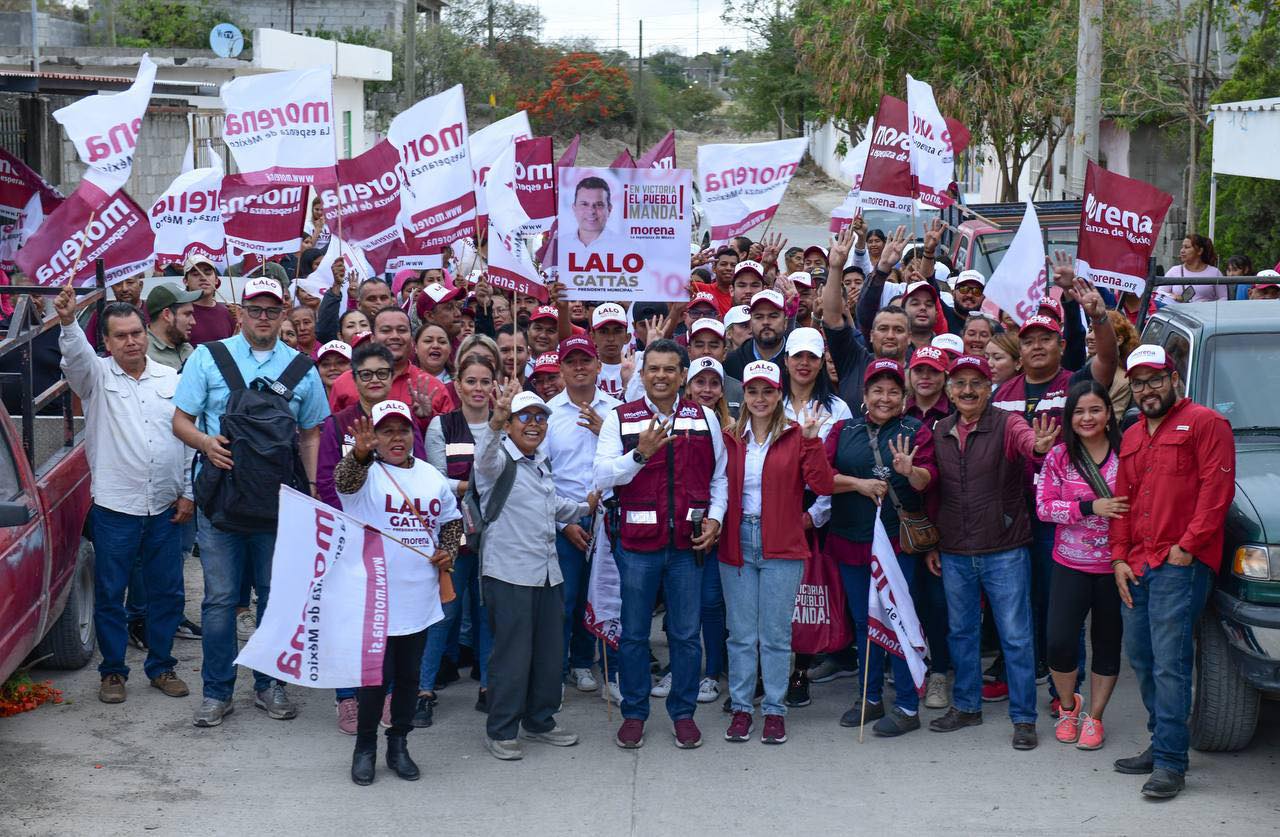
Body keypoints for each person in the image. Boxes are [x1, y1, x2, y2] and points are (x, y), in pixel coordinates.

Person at [172, 276, 330, 728]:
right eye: (256, 310)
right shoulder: (208, 357)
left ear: (284, 314)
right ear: (240, 312)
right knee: (220, 600)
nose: (263, 318)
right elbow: (180, 421)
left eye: (272, 310)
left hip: (279, 502)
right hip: (221, 498)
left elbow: (312, 432)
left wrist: (315, 490)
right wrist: (206, 443)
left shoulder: (302, 367)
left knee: (275, 598)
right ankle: (217, 691)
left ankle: (270, 685)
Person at [56, 289, 194, 704]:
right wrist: (66, 322)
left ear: (145, 333)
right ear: (108, 342)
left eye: (136, 332)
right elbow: (75, 359)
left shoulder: (172, 380)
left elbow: (188, 440)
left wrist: (188, 492)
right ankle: (113, 671)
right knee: (111, 591)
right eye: (121, 336)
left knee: (167, 592)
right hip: (117, 508)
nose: (131, 341)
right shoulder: (95, 378)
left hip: (168, 506)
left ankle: (162, 666)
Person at [1110, 345, 1235, 799]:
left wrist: (1188, 547)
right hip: (1138, 563)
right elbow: (1122, 504)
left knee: (1170, 663)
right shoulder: (1132, 436)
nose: (1147, 390)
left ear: (1174, 378)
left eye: (1155, 379)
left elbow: (1216, 494)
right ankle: (1161, 740)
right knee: (1142, 658)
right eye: (1139, 382)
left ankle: (1170, 762)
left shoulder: (1205, 423)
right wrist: (1119, 557)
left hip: (1179, 564)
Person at [594, 339, 727, 750]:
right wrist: (639, 454)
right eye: (654, 369)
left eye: (670, 369)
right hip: (636, 547)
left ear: (683, 375)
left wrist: (716, 519)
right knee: (634, 635)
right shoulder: (620, 419)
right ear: (643, 373)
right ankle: (634, 713)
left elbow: (719, 478)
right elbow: (600, 477)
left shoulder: (705, 418)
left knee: (686, 636)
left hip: (688, 548)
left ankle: (683, 714)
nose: (661, 376)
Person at [925, 355, 1059, 750]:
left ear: (990, 388)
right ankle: (966, 706)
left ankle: (1023, 718)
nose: (968, 390)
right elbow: (934, 490)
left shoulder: (1007, 422)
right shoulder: (940, 429)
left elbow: (1026, 441)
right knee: (961, 633)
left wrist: (1037, 444)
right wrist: (934, 541)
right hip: (953, 550)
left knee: (1016, 636)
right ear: (949, 389)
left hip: (1004, 548)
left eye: (977, 383)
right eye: (960, 383)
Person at [335, 400, 461, 785]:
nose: (395, 438)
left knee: (408, 677)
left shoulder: (431, 477)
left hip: (419, 595)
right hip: (375, 596)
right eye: (386, 430)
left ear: (413, 435)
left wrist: (448, 550)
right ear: (374, 435)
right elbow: (343, 482)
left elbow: (451, 522)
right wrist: (359, 452)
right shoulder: (364, 472)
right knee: (375, 678)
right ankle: (365, 748)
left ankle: (399, 743)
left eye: (402, 430)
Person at [475, 383, 593, 760]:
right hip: (508, 573)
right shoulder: (498, 461)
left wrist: (584, 506)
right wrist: (494, 421)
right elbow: (483, 457)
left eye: (541, 417)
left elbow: (555, 505)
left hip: (546, 573)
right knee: (512, 655)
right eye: (525, 416)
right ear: (509, 423)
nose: (534, 423)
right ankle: (502, 729)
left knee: (548, 651)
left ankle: (540, 720)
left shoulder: (540, 461)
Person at [719, 361, 833, 745]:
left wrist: (814, 441)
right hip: (737, 541)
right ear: (744, 396)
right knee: (740, 635)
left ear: (778, 394)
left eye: (768, 391)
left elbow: (822, 485)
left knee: (775, 634)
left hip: (782, 542)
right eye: (753, 391)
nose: (760, 398)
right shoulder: (730, 436)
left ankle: (774, 710)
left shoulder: (798, 435)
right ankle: (740, 709)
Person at [824, 359, 935, 737]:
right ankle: (869, 697)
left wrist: (908, 471)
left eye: (892, 391)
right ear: (864, 394)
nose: (884, 398)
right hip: (852, 540)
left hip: (896, 545)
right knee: (863, 621)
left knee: (900, 619)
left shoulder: (916, 430)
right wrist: (857, 484)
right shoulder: (843, 430)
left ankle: (906, 704)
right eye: (877, 390)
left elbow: (926, 483)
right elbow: (821, 479)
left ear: (903, 396)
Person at [1035, 380, 1127, 751]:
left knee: (1107, 643)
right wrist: (1089, 507)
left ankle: (1096, 718)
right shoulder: (1058, 457)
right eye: (1079, 411)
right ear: (1069, 417)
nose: (1087, 418)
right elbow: (1043, 508)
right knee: (1058, 642)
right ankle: (1070, 707)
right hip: (1069, 565)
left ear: (1108, 414)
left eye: (1095, 410)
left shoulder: (1128, 453)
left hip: (1114, 567)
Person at [420, 353, 498, 723]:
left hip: (498, 531)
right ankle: (422, 689)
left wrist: (477, 489)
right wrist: (475, 487)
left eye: (485, 381)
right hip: (454, 531)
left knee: (487, 610)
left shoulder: (504, 423)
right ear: (458, 385)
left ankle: (488, 686)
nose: (478, 389)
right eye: (471, 381)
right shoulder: (442, 425)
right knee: (445, 611)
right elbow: (436, 480)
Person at [543, 337, 622, 698]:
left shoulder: (618, 410)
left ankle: (602, 668)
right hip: (566, 520)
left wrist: (603, 428)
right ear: (561, 368)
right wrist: (564, 522)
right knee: (567, 601)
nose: (579, 367)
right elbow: (541, 474)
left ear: (597, 365)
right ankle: (563, 671)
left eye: (585, 360)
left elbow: (633, 462)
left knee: (607, 598)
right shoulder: (547, 414)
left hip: (610, 519)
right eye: (570, 361)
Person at [329, 307, 452, 423]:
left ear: (412, 339)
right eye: (386, 330)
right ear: (372, 338)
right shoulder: (343, 383)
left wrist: (427, 417)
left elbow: (450, 437)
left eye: (402, 330)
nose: (394, 336)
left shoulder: (433, 387)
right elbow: (333, 435)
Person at [724, 290, 787, 380]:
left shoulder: (796, 358)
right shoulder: (732, 362)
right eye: (759, 317)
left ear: (785, 322)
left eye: (773, 316)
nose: (766, 322)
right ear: (751, 323)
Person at [686, 317, 743, 416]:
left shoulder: (740, 390)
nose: (706, 351)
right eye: (699, 345)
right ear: (689, 351)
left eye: (713, 346)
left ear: (725, 353)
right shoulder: (676, 387)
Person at [182, 254, 237, 346]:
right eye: (196, 274)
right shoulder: (178, 312)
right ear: (185, 281)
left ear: (216, 280)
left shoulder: (230, 313)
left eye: (208, 273)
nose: (203, 277)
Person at [144, 283, 202, 371]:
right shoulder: (142, 354)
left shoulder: (186, 348)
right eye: (187, 314)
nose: (193, 322)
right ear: (167, 315)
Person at [1155, 235, 1225, 304]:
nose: (1182, 251)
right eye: (1182, 247)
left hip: (1205, 314)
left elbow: (1224, 298)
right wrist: (1172, 296)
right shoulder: (1174, 271)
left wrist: (1207, 305)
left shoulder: (1215, 273)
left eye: (1187, 247)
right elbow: (1159, 293)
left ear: (1200, 251)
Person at [589, 303, 631, 400]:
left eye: (617, 331)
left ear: (627, 337)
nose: (611, 338)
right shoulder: (585, 369)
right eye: (603, 332)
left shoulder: (639, 366)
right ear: (592, 337)